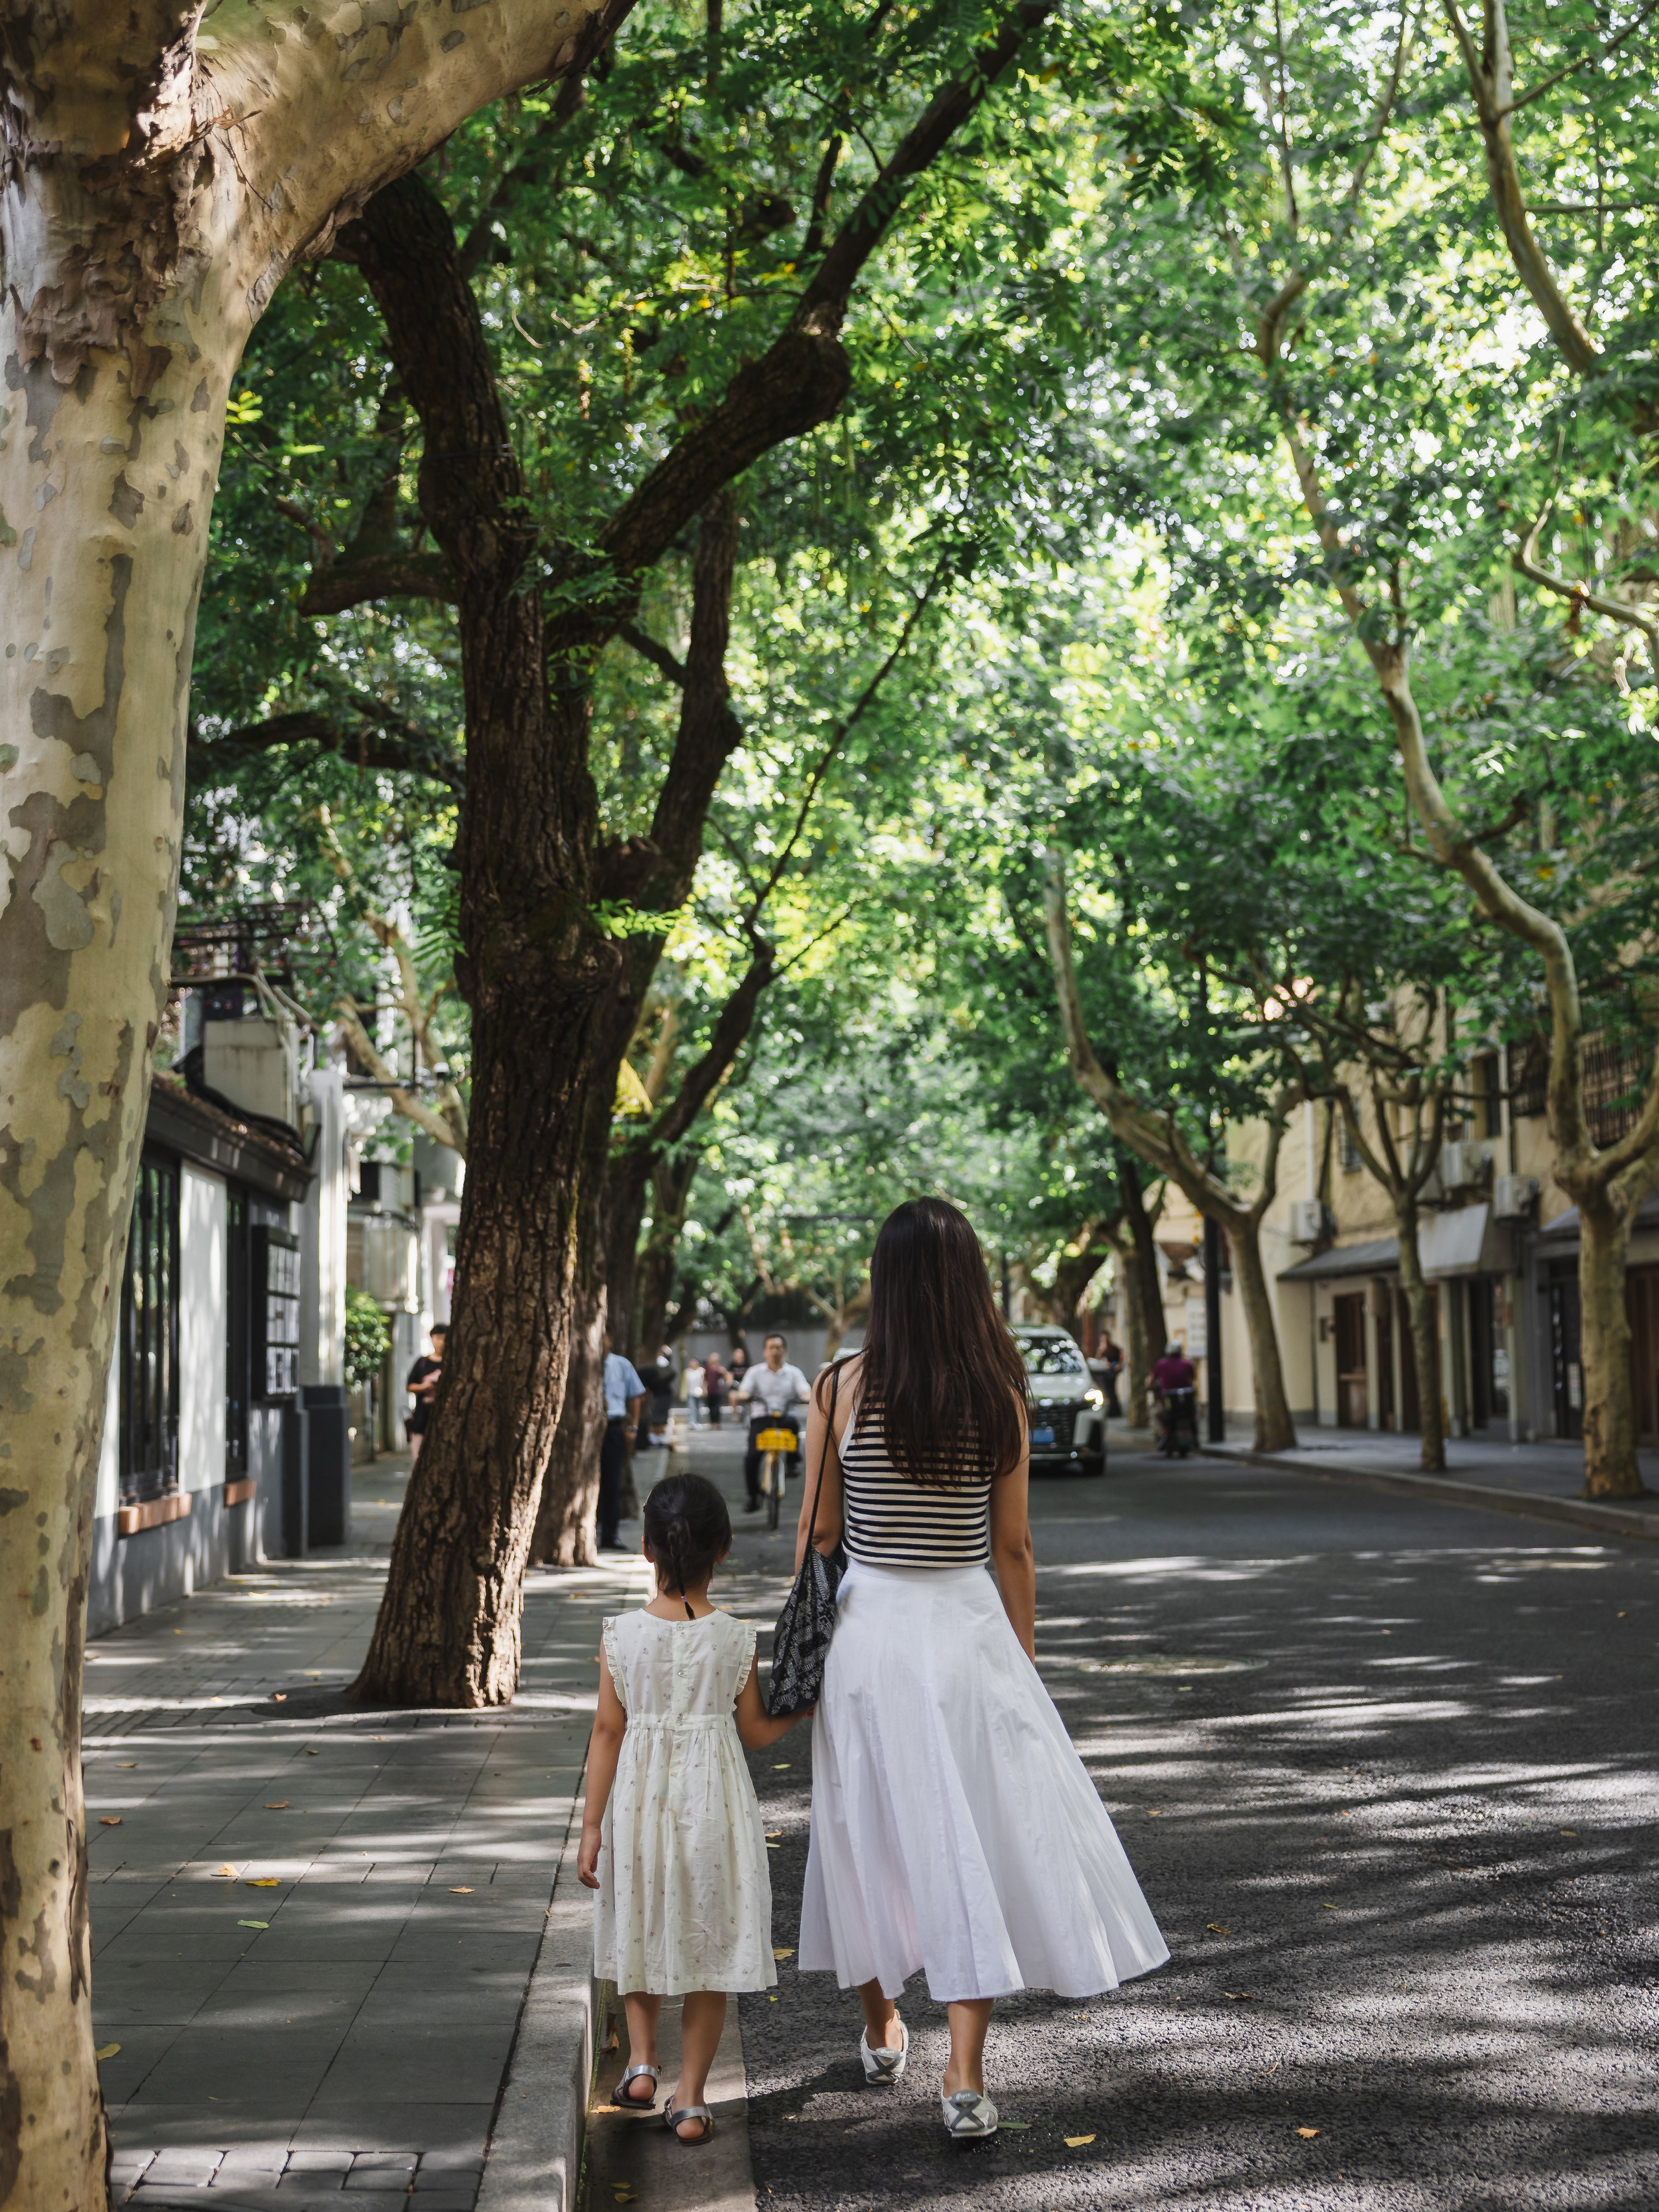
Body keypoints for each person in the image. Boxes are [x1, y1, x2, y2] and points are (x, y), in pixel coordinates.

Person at [795, 1198, 1168, 2141]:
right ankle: (964, 2074)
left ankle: (881, 2021)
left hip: (867, 1633)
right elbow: (1014, 1547)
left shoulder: (839, 1385)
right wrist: (1022, 1663)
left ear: (883, 1280)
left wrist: (793, 1648)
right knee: (973, 1836)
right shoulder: (999, 1391)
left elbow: (820, 1535)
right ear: (968, 1280)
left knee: (862, 1824)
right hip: (966, 1629)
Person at [579, 1473, 808, 2144]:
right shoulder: (736, 1637)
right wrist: (801, 1707)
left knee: (640, 1922)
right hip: (715, 1806)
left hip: (638, 1805)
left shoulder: (620, 1635)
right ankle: (692, 2099)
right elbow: (756, 1731)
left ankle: (641, 2062)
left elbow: (607, 1732)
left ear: (646, 1548)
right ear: (723, 1550)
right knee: (710, 1945)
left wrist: (591, 1825)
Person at [734, 1332, 813, 1513]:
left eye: (778, 1348)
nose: (774, 1352)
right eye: (771, 1348)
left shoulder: (794, 1373)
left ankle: (792, 1462)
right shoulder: (755, 1372)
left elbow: (805, 1390)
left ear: (784, 1351)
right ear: (765, 1352)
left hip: (785, 1417)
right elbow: (744, 1391)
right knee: (752, 1457)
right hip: (761, 1418)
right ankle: (753, 1495)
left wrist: (806, 1396)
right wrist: (744, 1395)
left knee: (793, 1425)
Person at [598, 1333, 647, 1552]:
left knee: (612, 1480)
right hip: (588, 1427)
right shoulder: (582, 1362)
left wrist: (633, 1426)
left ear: (610, 1340)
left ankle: (610, 1534)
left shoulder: (621, 1364)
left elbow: (636, 1395)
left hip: (613, 1426)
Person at [404, 1323, 446, 1463]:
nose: (441, 1343)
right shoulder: (422, 1362)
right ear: (432, 1339)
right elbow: (410, 1386)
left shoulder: (452, 1363)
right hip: (422, 1418)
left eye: (445, 1339)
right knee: (419, 1458)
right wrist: (424, 1387)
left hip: (444, 1419)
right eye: (438, 1338)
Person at [1150, 1339, 1197, 1446]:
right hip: (1186, 1403)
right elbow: (1192, 1379)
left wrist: (1149, 1386)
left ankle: (1163, 1434)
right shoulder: (1188, 1364)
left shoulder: (1161, 1364)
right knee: (1195, 1413)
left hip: (1168, 1403)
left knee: (1154, 1414)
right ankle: (1195, 1434)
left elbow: (1152, 1380)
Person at [1098, 1335, 1124, 1419]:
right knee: (1107, 1392)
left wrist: (1119, 1364)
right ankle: (1111, 1410)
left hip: (1112, 1372)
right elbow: (1098, 1358)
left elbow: (1122, 1353)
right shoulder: (1102, 1349)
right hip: (1105, 1372)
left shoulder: (1113, 1348)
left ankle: (1115, 1411)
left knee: (1111, 1391)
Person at [702, 1351, 727, 1428]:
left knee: (717, 1407)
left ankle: (717, 1422)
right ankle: (712, 1422)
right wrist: (704, 1389)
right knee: (710, 1407)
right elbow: (704, 1379)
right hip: (710, 1390)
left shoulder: (720, 1368)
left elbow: (726, 1377)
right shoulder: (707, 1368)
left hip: (718, 1390)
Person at [682, 1356, 706, 1428]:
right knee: (692, 1408)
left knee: (699, 1408)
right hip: (691, 1392)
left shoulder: (701, 1371)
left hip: (700, 1393)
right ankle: (692, 1422)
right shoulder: (687, 1372)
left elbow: (704, 1381)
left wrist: (704, 1390)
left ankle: (699, 1422)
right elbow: (684, 1383)